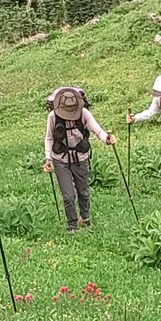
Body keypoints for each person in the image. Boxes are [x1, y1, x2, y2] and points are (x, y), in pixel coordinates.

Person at [42, 86, 115, 231]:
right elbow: (49, 138)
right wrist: (48, 158)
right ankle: (72, 225)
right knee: (68, 195)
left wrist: (107, 139)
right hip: (60, 159)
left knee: (83, 192)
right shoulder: (53, 116)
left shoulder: (84, 113)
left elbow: (97, 130)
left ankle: (85, 218)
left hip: (80, 158)